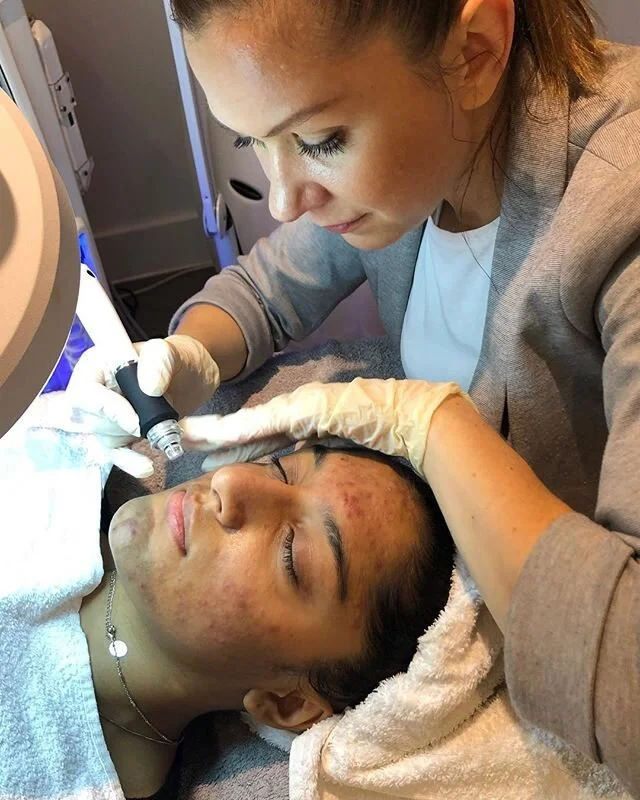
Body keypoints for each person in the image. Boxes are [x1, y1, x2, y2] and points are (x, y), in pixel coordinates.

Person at [68, 0, 640, 794]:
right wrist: (189, 352)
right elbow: (265, 293)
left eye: (318, 140)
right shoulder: (425, 150)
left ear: (475, 52)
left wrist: (430, 424)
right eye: (253, 143)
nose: (281, 199)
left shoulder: (620, 208)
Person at [1, 430, 453, 799]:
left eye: (292, 554)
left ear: (287, 702)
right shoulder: (44, 463)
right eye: (280, 469)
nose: (232, 481)